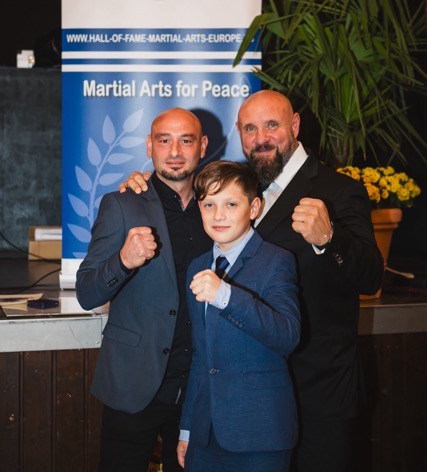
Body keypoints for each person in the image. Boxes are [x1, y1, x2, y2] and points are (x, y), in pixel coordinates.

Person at [121, 89, 384, 472]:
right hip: (243, 401)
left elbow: (371, 277)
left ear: (294, 125)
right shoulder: (242, 186)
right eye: (249, 128)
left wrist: (330, 238)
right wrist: (144, 184)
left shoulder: (338, 190)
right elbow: (192, 191)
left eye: (271, 125)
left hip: (318, 392)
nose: (260, 138)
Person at [75, 107, 212, 472]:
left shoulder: (217, 207)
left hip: (198, 385)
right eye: (164, 140)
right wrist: (123, 260)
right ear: (150, 145)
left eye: (186, 141)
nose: (175, 151)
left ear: (203, 146)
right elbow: (87, 293)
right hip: (134, 381)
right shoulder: (122, 203)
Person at [176, 160, 301, 472]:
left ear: (254, 207)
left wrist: (226, 296)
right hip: (205, 433)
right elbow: (200, 357)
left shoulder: (276, 260)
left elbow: (287, 335)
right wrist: (188, 428)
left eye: (231, 204)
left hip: (259, 432)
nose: (218, 215)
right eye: (209, 204)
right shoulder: (197, 267)